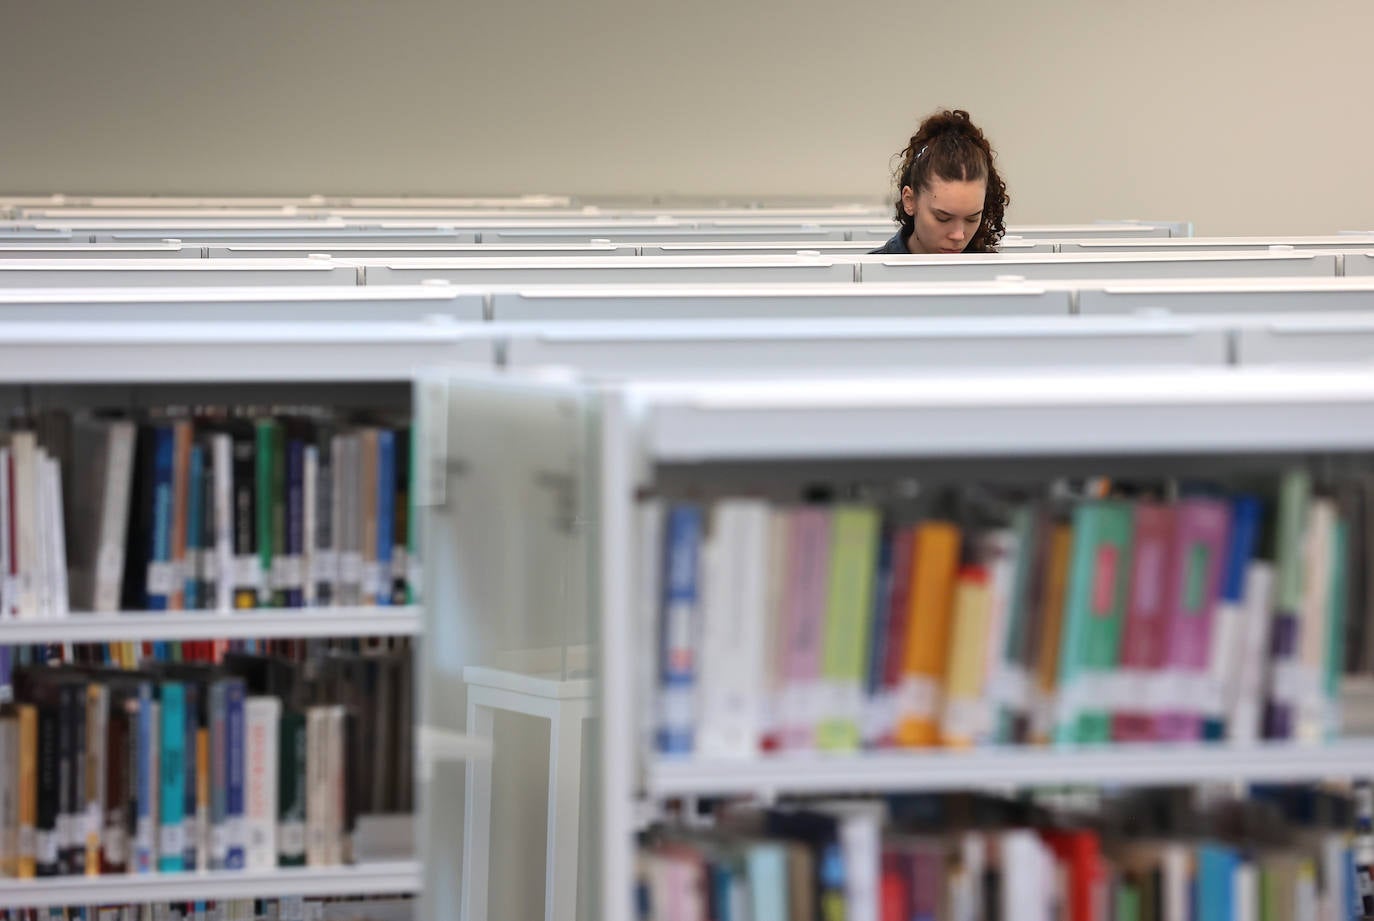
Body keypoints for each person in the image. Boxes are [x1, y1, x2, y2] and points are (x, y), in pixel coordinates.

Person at [873, 109, 1010, 255]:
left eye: (972, 219)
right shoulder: (865, 274)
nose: (958, 236)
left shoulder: (994, 273)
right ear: (909, 201)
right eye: (943, 218)